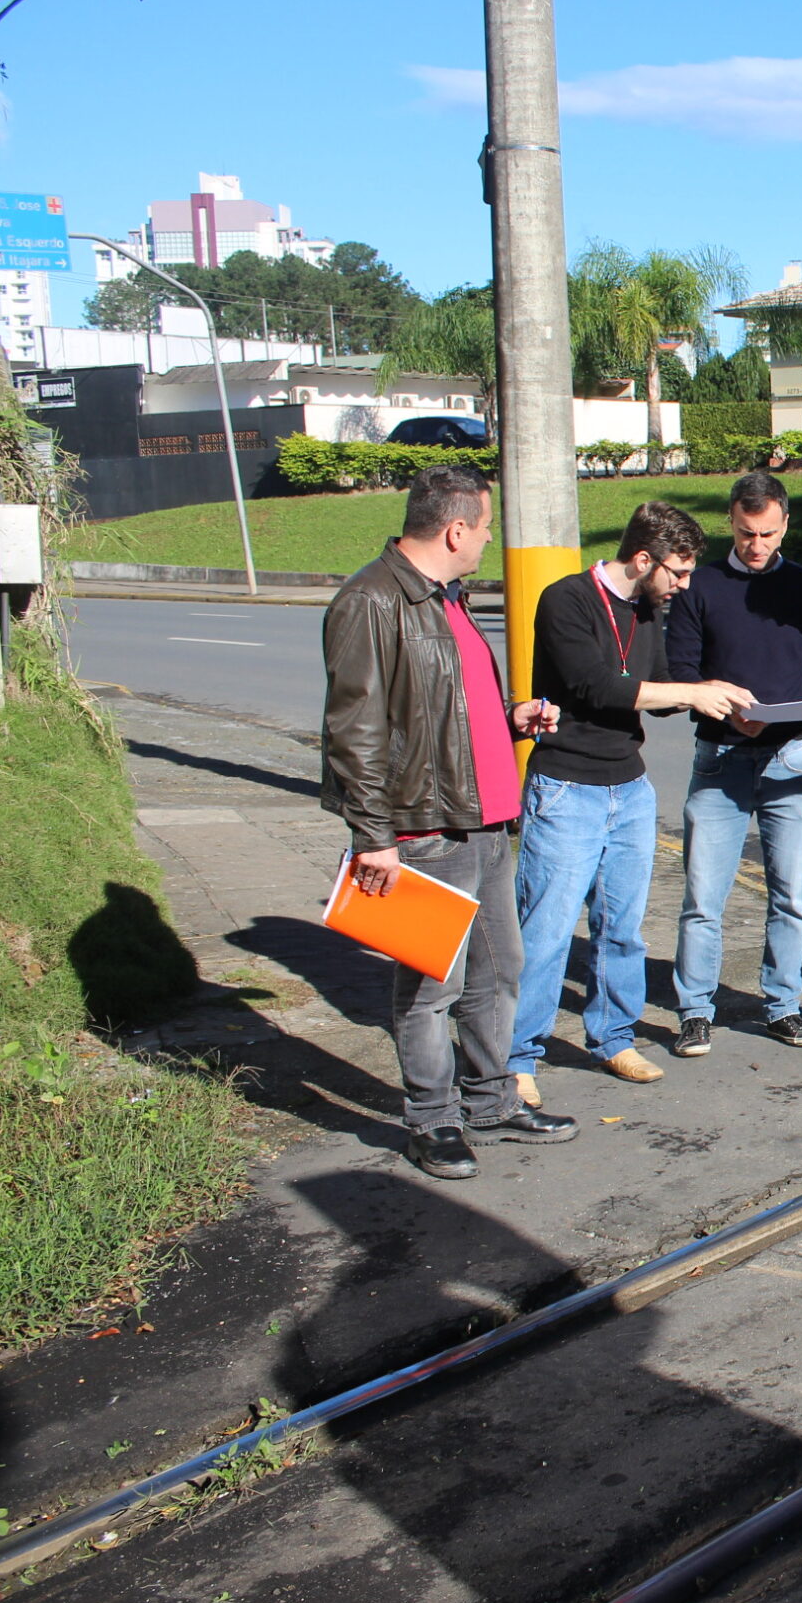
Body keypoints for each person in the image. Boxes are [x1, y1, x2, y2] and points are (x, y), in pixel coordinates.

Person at [321, 463, 566, 1180]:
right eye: (485, 527)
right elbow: (354, 731)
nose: (488, 539)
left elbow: (443, 709)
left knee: (499, 969)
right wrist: (374, 838)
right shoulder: (371, 601)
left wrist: (510, 717)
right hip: (426, 827)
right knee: (433, 984)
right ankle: (432, 1120)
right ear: (456, 529)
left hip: (485, 821)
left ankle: (491, 1100)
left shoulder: (446, 598)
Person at [510, 503, 753, 1099]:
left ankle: (614, 1039)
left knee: (622, 929)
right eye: (677, 571)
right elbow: (598, 685)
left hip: (629, 788)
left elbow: (664, 684)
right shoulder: (565, 600)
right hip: (567, 787)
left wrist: (714, 695)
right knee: (545, 931)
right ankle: (516, 1057)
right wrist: (691, 692)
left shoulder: (648, 610)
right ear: (643, 559)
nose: (683, 584)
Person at [666, 471, 802, 1057]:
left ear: (785, 524)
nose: (757, 545)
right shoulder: (702, 586)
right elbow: (679, 674)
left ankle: (784, 1005)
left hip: (790, 754)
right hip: (721, 755)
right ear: (732, 522)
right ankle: (695, 1011)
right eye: (747, 533)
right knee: (703, 897)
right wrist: (720, 701)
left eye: (769, 533)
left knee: (791, 892)